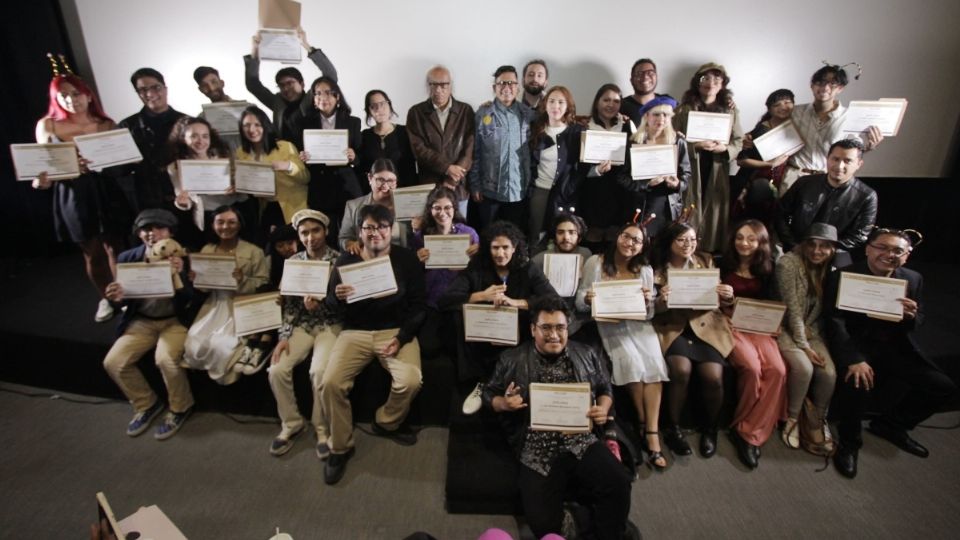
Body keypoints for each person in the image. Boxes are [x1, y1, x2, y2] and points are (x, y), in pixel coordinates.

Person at [483, 295, 632, 540]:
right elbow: (488, 394)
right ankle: (584, 519)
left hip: (581, 439)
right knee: (542, 525)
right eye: (546, 328)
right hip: (536, 448)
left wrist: (603, 408)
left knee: (618, 482)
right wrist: (504, 404)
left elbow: (606, 388)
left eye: (560, 328)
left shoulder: (586, 353)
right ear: (533, 329)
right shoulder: (512, 359)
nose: (554, 335)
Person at [825, 228, 957, 478]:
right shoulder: (844, 276)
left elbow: (919, 318)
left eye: (897, 250)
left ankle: (892, 425)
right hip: (856, 345)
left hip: (894, 346)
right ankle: (850, 444)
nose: (889, 254)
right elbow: (834, 320)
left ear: (906, 255)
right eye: (882, 247)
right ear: (868, 249)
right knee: (858, 382)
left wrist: (912, 316)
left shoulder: (913, 278)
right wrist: (854, 359)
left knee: (943, 386)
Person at [321, 205, 427, 484]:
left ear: (391, 230)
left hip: (394, 331)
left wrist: (401, 338)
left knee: (410, 380)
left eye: (382, 227)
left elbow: (418, 307)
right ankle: (340, 447)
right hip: (355, 332)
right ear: (360, 232)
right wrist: (337, 295)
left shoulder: (407, 260)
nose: (376, 232)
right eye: (369, 227)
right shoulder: (346, 260)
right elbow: (330, 305)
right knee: (330, 382)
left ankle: (385, 422)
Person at [33, 69, 128, 323]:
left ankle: (125, 295)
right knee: (92, 251)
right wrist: (40, 181)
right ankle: (107, 298)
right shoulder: (48, 125)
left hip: (105, 189)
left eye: (75, 93)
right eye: (62, 95)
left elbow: (121, 162)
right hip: (73, 193)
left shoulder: (106, 123)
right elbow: (42, 168)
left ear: (87, 95)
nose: (70, 99)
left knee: (117, 247)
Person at [576, 223, 669, 470]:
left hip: (639, 326)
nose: (630, 243)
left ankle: (650, 430)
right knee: (633, 367)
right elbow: (580, 298)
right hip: (610, 325)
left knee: (654, 369)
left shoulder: (646, 270)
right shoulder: (596, 262)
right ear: (618, 236)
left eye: (637, 241)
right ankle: (644, 424)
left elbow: (648, 314)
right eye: (627, 237)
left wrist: (651, 301)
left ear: (642, 247)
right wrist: (587, 299)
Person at [439, 221, 558, 415]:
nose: (500, 253)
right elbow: (446, 300)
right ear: (488, 248)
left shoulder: (527, 268)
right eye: (495, 247)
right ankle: (479, 383)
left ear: (515, 247)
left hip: (518, 332)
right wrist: (482, 296)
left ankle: (507, 382)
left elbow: (553, 299)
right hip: (483, 333)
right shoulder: (477, 267)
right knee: (456, 315)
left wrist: (517, 303)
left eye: (505, 247)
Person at [102, 209, 199, 440]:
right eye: (146, 229)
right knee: (113, 361)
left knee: (165, 359)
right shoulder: (128, 258)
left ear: (170, 231)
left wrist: (183, 275)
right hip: (142, 321)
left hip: (174, 321)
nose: (152, 233)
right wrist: (114, 298)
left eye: (158, 228)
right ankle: (146, 403)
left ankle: (180, 407)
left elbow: (193, 299)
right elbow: (123, 299)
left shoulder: (185, 256)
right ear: (138, 234)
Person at [651, 222, 733, 458]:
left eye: (693, 240)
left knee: (714, 376)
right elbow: (652, 311)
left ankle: (710, 428)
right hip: (673, 325)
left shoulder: (705, 261)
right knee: (680, 370)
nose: (688, 245)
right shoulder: (657, 268)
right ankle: (673, 428)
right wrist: (661, 302)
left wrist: (726, 296)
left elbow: (717, 301)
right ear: (670, 242)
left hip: (704, 324)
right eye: (682, 240)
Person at [268, 209, 342, 458]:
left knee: (319, 371)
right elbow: (289, 307)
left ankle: (321, 429)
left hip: (329, 326)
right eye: (304, 233)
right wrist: (283, 337)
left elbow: (346, 305)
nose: (310, 238)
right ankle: (291, 423)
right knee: (276, 368)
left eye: (315, 231)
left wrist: (323, 302)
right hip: (301, 326)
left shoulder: (339, 260)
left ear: (326, 231)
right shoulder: (294, 262)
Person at [719, 220, 787, 469]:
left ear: (761, 242)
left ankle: (751, 430)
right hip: (729, 323)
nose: (744, 243)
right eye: (739, 237)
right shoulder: (721, 263)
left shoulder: (769, 269)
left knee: (778, 370)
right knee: (751, 368)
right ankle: (745, 428)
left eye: (750, 239)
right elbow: (708, 300)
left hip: (759, 327)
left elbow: (774, 304)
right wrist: (720, 297)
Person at [182, 206, 268, 383]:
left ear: (239, 225)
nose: (225, 227)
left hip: (241, 305)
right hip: (214, 304)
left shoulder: (254, 251)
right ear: (213, 225)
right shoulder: (207, 249)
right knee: (194, 340)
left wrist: (243, 280)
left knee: (223, 345)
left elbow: (263, 284)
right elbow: (204, 288)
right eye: (220, 222)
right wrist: (197, 280)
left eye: (231, 222)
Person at [775, 223, 839, 451]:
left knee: (829, 373)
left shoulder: (832, 269)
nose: (816, 250)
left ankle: (817, 420)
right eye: (812, 244)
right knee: (804, 368)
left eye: (824, 246)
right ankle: (793, 418)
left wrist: (812, 342)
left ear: (832, 249)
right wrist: (804, 346)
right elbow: (791, 309)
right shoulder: (788, 264)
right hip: (785, 328)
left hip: (813, 330)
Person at [781, 63, 884, 195]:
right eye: (820, 82)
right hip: (793, 177)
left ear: (840, 88)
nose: (825, 87)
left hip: (828, 179)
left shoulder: (849, 117)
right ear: (812, 86)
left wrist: (869, 146)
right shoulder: (795, 112)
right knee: (785, 214)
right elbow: (770, 127)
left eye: (832, 84)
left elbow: (855, 149)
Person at [672, 63, 743, 253]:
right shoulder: (684, 109)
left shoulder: (730, 110)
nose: (711, 83)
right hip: (692, 167)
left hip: (717, 168)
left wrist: (724, 148)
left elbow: (738, 141)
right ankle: (685, 252)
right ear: (697, 82)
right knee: (690, 209)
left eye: (716, 80)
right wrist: (694, 146)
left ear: (722, 85)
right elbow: (673, 140)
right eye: (705, 79)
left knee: (714, 213)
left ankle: (708, 254)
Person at [776, 139, 877, 266]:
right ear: (827, 159)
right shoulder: (804, 183)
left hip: (835, 252)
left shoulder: (867, 195)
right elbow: (780, 214)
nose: (839, 166)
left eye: (847, 161)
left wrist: (825, 250)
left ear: (859, 164)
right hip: (798, 246)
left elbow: (859, 235)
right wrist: (793, 245)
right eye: (835, 159)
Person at [166, 116, 253, 249]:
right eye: (194, 136)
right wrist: (181, 203)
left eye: (205, 136)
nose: (201, 141)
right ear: (183, 138)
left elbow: (243, 190)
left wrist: (238, 188)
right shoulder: (175, 167)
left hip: (233, 212)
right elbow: (184, 198)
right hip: (205, 217)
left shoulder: (225, 156)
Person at [243, 28, 337, 149]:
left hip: (313, 154)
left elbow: (330, 76)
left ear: (302, 84)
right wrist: (255, 50)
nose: (286, 88)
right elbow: (253, 84)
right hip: (285, 156)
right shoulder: (277, 102)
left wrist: (305, 44)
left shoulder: (313, 98)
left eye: (290, 83)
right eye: (281, 85)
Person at [468, 65, 537, 231]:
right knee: (488, 237)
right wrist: (475, 184)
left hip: (518, 191)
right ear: (494, 88)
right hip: (489, 191)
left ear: (518, 87)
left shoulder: (527, 114)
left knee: (514, 239)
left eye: (511, 83)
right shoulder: (483, 114)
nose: (507, 87)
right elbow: (475, 152)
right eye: (501, 83)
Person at [406, 65, 476, 217]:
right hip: (428, 185)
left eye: (443, 85)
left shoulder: (465, 111)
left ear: (451, 86)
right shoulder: (416, 113)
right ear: (428, 86)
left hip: (458, 187)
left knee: (458, 232)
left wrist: (453, 179)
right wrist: (447, 168)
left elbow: (469, 149)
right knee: (428, 232)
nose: (438, 90)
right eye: (433, 84)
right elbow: (419, 150)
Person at [115, 68, 186, 215]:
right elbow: (117, 171)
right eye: (142, 90)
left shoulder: (187, 122)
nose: (150, 94)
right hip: (147, 202)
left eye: (155, 87)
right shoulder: (126, 126)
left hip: (184, 198)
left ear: (165, 89)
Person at [618, 96, 691, 239]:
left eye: (666, 115)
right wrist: (646, 184)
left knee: (665, 248)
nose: (661, 119)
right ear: (646, 116)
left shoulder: (678, 142)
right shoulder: (634, 142)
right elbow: (622, 177)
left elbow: (686, 175)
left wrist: (677, 184)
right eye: (656, 114)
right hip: (642, 204)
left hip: (668, 205)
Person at [300, 76, 363, 237]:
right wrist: (304, 157)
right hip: (319, 187)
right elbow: (301, 158)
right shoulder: (304, 123)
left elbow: (361, 157)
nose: (323, 98)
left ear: (337, 96)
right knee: (323, 234)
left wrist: (354, 156)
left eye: (328, 93)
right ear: (313, 99)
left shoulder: (353, 122)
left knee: (350, 234)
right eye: (318, 93)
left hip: (346, 186)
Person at [235, 105, 309, 238]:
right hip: (264, 209)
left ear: (265, 125)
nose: (252, 130)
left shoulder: (285, 147)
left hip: (292, 207)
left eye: (257, 124)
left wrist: (288, 166)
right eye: (246, 125)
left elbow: (305, 177)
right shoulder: (241, 152)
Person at [527, 85, 584, 249]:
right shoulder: (534, 129)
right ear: (545, 104)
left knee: (564, 240)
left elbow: (583, 166)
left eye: (561, 102)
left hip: (566, 194)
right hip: (539, 192)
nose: (555, 106)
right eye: (551, 101)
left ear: (568, 107)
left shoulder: (577, 132)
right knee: (537, 237)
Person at [578, 83, 634, 243]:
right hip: (593, 192)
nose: (611, 105)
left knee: (615, 240)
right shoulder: (584, 127)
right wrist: (595, 171)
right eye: (606, 100)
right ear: (597, 102)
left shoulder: (627, 126)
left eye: (616, 101)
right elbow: (578, 166)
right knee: (592, 239)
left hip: (621, 193)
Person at [731, 89, 796, 227]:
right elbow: (742, 160)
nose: (783, 107)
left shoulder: (795, 127)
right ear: (770, 109)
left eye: (787, 102)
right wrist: (769, 164)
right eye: (777, 105)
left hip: (781, 180)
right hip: (754, 182)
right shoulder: (763, 130)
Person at [411, 186, 480, 308]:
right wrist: (417, 261)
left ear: (454, 208)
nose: (442, 213)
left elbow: (478, 270)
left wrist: (477, 256)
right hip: (430, 298)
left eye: (447, 207)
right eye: (437, 208)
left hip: (460, 297)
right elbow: (414, 274)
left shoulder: (469, 233)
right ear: (430, 210)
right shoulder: (420, 236)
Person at [531, 212, 591, 335]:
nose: (566, 237)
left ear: (579, 237)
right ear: (554, 235)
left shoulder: (586, 255)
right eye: (560, 232)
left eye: (572, 232)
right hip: (549, 317)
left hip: (579, 319)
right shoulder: (539, 259)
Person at [338, 159, 412, 253]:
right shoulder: (353, 206)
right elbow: (344, 238)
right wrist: (351, 244)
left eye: (390, 181)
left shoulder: (407, 204)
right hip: (367, 260)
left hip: (401, 259)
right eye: (380, 180)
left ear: (396, 182)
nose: (385, 186)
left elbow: (414, 238)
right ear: (369, 178)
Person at [358, 89, 417, 188]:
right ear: (369, 111)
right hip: (376, 195)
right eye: (374, 106)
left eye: (382, 104)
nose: (379, 109)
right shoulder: (365, 136)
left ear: (389, 105)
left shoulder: (405, 132)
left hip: (403, 191)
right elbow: (361, 167)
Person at [620, 58, 664, 126]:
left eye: (650, 73)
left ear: (656, 77)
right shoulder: (620, 107)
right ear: (631, 80)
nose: (645, 77)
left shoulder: (668, 104)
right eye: (639, 73)